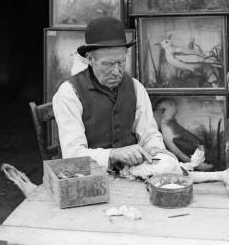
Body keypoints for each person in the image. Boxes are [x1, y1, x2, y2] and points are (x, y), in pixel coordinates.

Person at [52, 17, 166, 168]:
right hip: (87, 179)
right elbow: (73, 155)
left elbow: (149, 135)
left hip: (131, 176)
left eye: (121, 62)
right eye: (108, 64)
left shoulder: (135, 87)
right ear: (90, 59)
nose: (116, 72)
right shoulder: (69, 93)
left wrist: (156, 150)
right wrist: (113, 154)